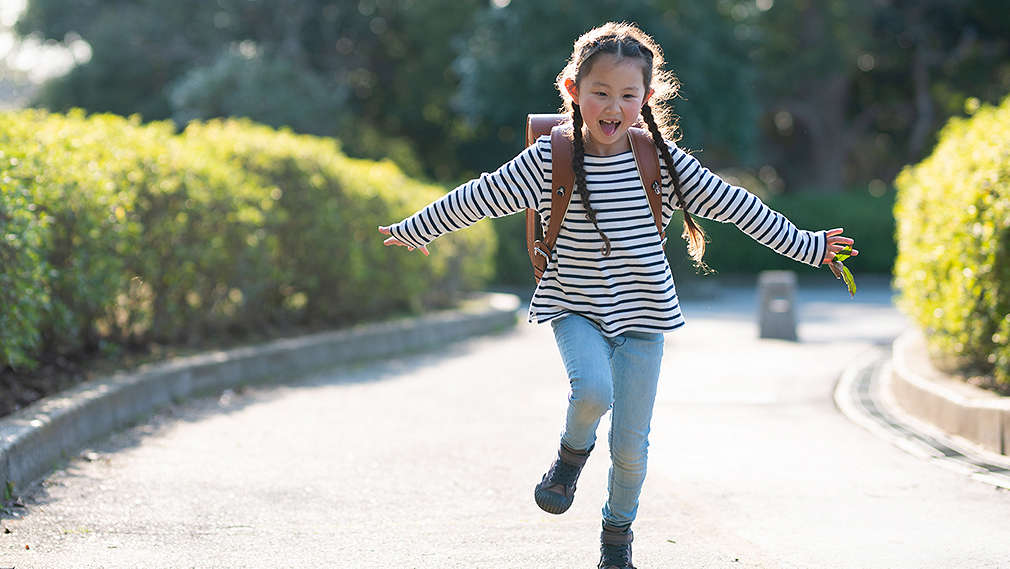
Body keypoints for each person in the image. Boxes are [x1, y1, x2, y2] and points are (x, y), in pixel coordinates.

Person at [378, 21, 857, 569]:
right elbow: (483, 194)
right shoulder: (549, 159)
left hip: (643, 318)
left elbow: (736, 206)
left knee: (631, 450)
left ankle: (616, 541)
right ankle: (569, 455)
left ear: (646, 99)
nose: (613, 106)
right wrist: (418, 227)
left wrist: (809, 244)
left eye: (628, 95)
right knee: (592, 393)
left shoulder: (662, 162)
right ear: (573, 92)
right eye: (600, 92)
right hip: (574, 308)